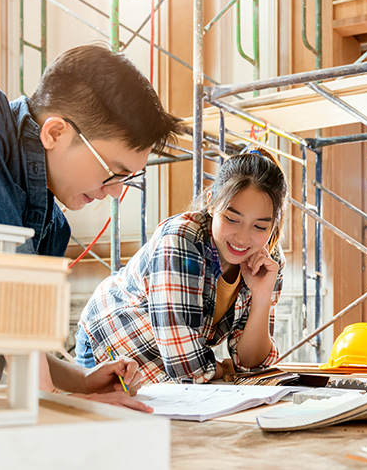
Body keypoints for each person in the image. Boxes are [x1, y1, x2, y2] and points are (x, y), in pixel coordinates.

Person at [0, 44, 182, 411]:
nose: (115, 192)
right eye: (115, 172)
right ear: (55, 133)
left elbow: (3, 332)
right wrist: (56, 399)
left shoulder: (51, 227)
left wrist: (77, 378)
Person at [76, 150, 288, 384]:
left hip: (169, 365)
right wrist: (223, 369)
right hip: (109, 344)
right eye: (232, 219)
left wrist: (261, 295)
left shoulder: (268, 261)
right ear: (211, 204)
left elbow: (250, 362)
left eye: (259, 226)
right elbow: (188, 370)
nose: (243, 238)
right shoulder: (180, 239)